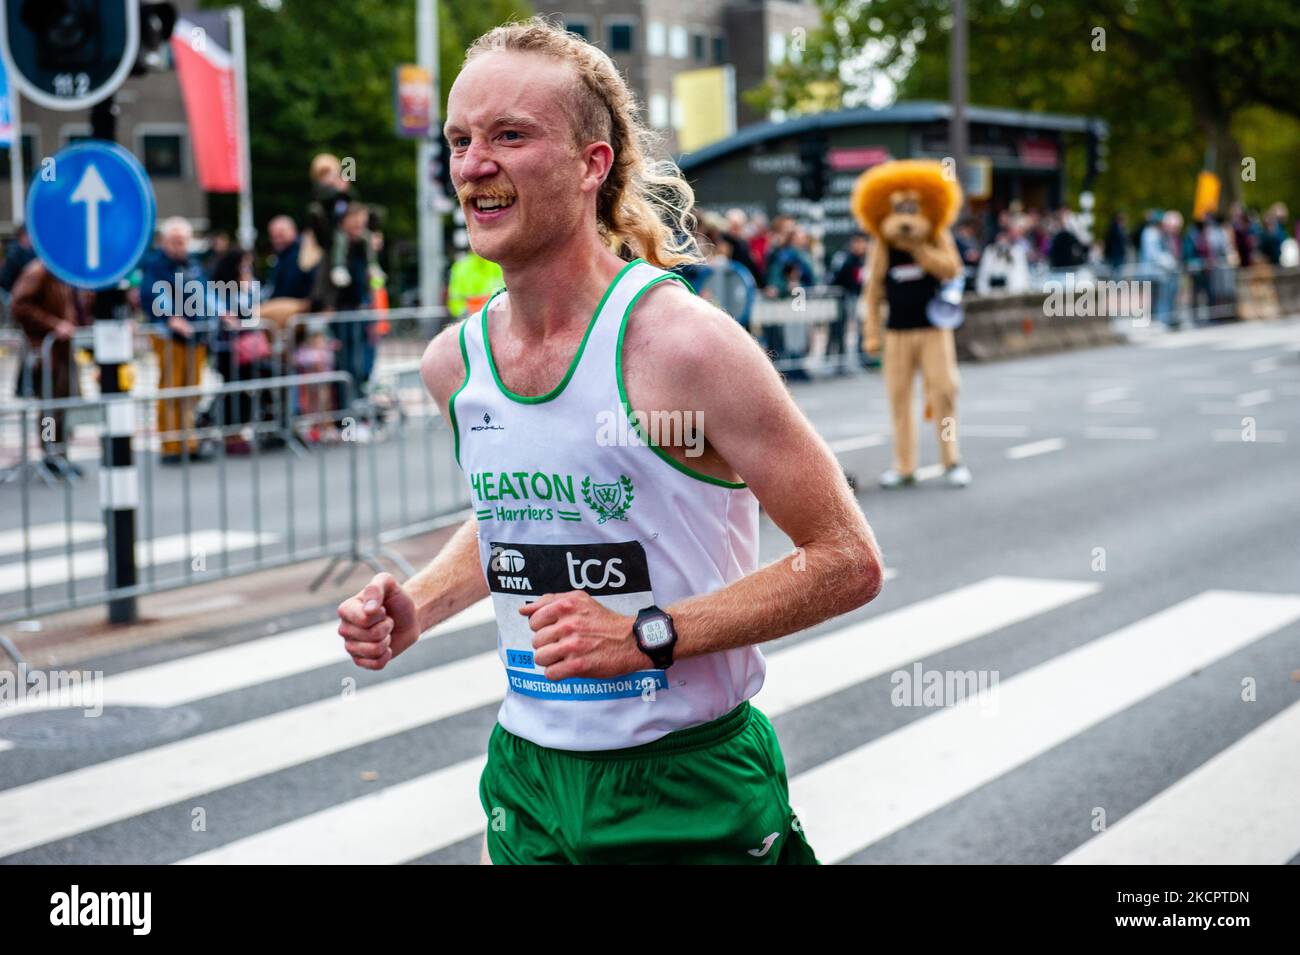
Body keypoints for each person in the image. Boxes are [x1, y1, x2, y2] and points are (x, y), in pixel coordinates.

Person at [336, 16, 883, 866]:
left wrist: (645, 636)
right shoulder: (456, 363)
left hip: (686, 781)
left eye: (511, 136)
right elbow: (519, 512)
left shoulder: (688, 348)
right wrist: (423, 602)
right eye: (460, 139)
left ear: (594, 164)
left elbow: (847, 557)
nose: (474, 164)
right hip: (528, 779)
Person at [140, 217, 213, 463]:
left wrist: (221, 313)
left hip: (195, 335)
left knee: (191, 391)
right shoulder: (157, 265)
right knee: (171, 389)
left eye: (182, 241)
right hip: (171, 337)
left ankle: (188, 442)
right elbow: (151, 292)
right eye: (174, 241)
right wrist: (172, 316)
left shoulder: (192, 265)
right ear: (164, 241)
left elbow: (206, 293)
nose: (179, 246)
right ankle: (171, 445)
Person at [9, 259, 91, 477]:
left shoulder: (62, 270)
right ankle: (50, 454)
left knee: (64, 405)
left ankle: (60, 454)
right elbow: (19, 305)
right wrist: (54, 325)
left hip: (63, 350)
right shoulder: (39, 270)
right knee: (48, 409)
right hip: (46, 353)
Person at [446, 247, 505, 319]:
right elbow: (455, 299)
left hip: (493, 317)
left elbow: (503, 294)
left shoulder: (498, 265)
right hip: (468, 317)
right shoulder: (461, 266)